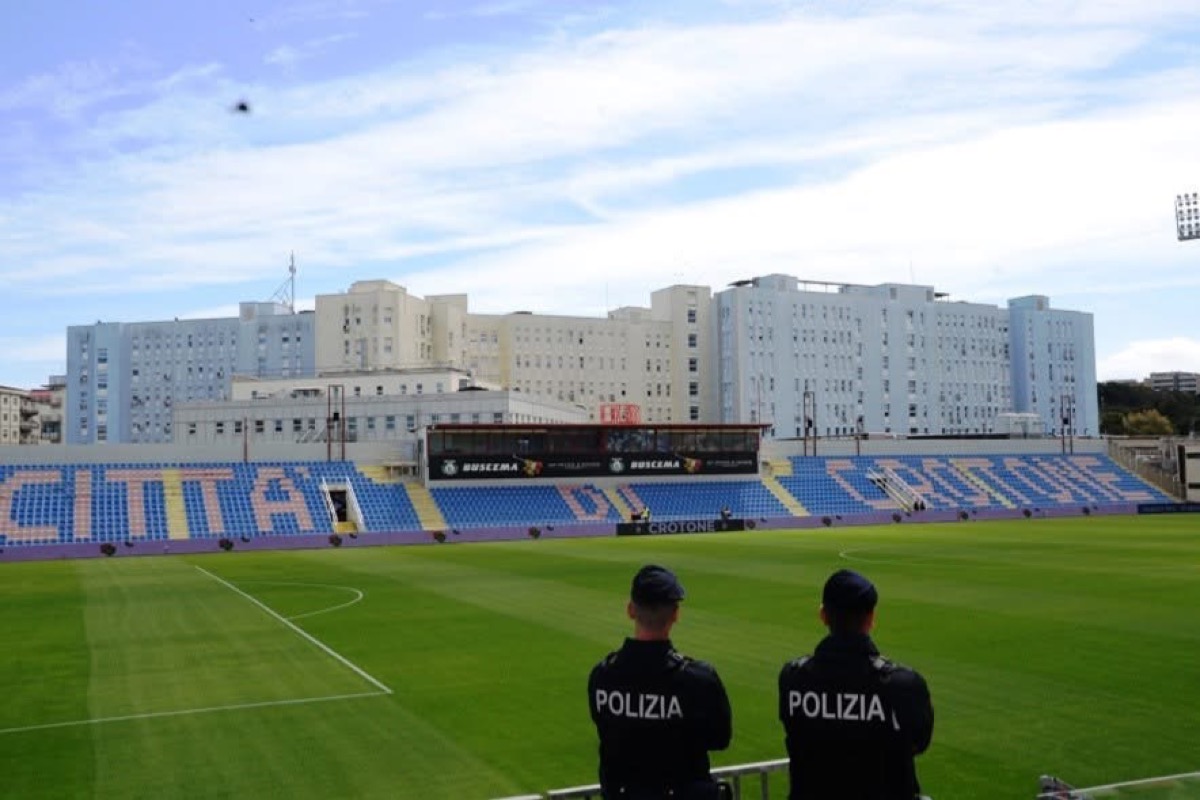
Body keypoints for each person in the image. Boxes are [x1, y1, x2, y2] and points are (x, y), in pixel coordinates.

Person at [778, 569, 933, 799]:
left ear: (823, 616)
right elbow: (918, 743)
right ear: (871, 619)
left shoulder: (792, 678)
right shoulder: (904, 685)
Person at [589, 565, 733, 799]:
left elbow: (605, 727)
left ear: (630, 610)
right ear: (676, 614)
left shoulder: (603, 676)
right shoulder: (697, 679)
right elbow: (719, 739)